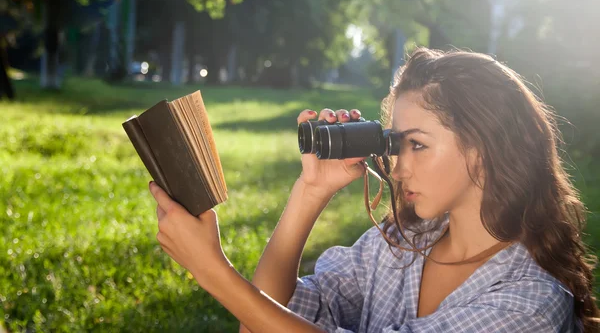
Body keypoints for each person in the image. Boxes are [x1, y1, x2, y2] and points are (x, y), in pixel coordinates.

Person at [149, 47, 599, 332]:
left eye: (417, 145)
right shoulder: (403, 244)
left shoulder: (531, 304)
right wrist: (310, 193)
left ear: (484, 150)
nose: (398, 167)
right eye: (394, 143)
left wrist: (212, 270)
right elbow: (266, 316)